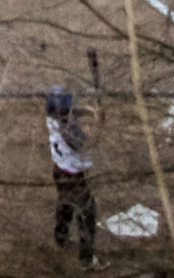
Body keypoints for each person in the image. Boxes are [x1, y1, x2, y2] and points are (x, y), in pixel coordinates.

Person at [45, 88, 97, 266]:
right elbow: (90, 143)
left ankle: (60, 238)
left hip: (59, 171)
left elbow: (70, 112)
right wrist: (100, 122)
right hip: (74, 178)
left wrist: (87, 110)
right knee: (87, 214)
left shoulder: (53, 118)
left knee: (65, 203)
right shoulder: (70, 134)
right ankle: (87, 260)